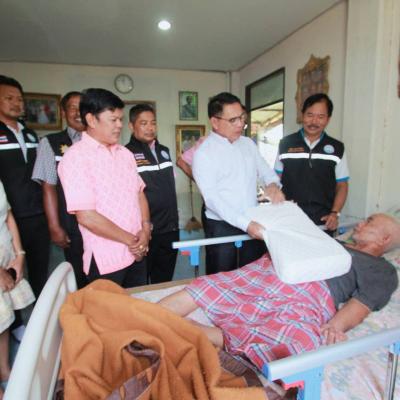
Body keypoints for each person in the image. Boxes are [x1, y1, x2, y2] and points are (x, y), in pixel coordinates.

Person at [159, 213, 400, 371]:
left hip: (312, 290)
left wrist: (334, 326)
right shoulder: (331, 241)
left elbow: (362, 304)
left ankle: (195, 331)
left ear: (385, 238)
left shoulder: (382, 270)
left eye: (369, 222)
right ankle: (149, 314)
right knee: (213, 285)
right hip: (272, 268)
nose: (360, 223)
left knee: (300, 343)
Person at [58, 89, 151, 288]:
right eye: (113, 120)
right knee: (109, 308)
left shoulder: (125, 154)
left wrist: (145, 229)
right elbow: (87, 217)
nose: (119, 125)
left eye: (120, 119)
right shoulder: (76, 158)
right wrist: (132, 241)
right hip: (107, 260)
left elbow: (139, 193)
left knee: (137, 303)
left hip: (137, 253)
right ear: (91, 119)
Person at [192, 92, 285, 274]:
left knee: (253, 273)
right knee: (221, 277)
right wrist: (245, 224)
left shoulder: (248, 144)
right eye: (233, 120)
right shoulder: (204, 154)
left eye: (242, 118)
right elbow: (212, 199)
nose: (240, 124)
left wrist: (273, 185)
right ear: (215, 122)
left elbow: (266, 172)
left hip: (253, 219)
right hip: (222, 226)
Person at [0, 75, 50, 298]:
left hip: (38, 214)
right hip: (9, 218)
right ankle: (17, 317)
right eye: (9, 98)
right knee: (12, 273)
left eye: (19, 99)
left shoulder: (30, 133)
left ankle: (40, 311)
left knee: (40, 270)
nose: (16, 103)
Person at [32, 91, 87, 289]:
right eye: (73, 108)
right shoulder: (50, 143)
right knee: (77, 275)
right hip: (71, 222)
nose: (78, 113)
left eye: (82, 108)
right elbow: (48, 187)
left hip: (101, 223)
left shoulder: (101, 141)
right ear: (63, 113)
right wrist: (55, 226)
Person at [275, 93, 349, 235]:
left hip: (322, 220)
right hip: (289, 217)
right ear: (302, 115)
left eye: (320, 117)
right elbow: (275, 179)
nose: (314, 121)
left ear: (328, 119)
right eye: (310, 115)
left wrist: (335, 213)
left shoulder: (337, 148)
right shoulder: (285, 144)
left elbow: (342, 184)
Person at [125, 104, 179, 283]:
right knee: (141, 281)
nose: (150, 128)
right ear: (131, 126)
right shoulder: (126, 154)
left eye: (153, 123)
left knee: (164, 280)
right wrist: (144, 228)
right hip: (145, 231)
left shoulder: (164, 151)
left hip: (170, 228)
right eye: (143, 123)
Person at [0, 181, 35, 399]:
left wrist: (20, 254)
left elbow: (8, 215)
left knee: (3, 319)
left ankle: (4, 369)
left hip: (6, 256)